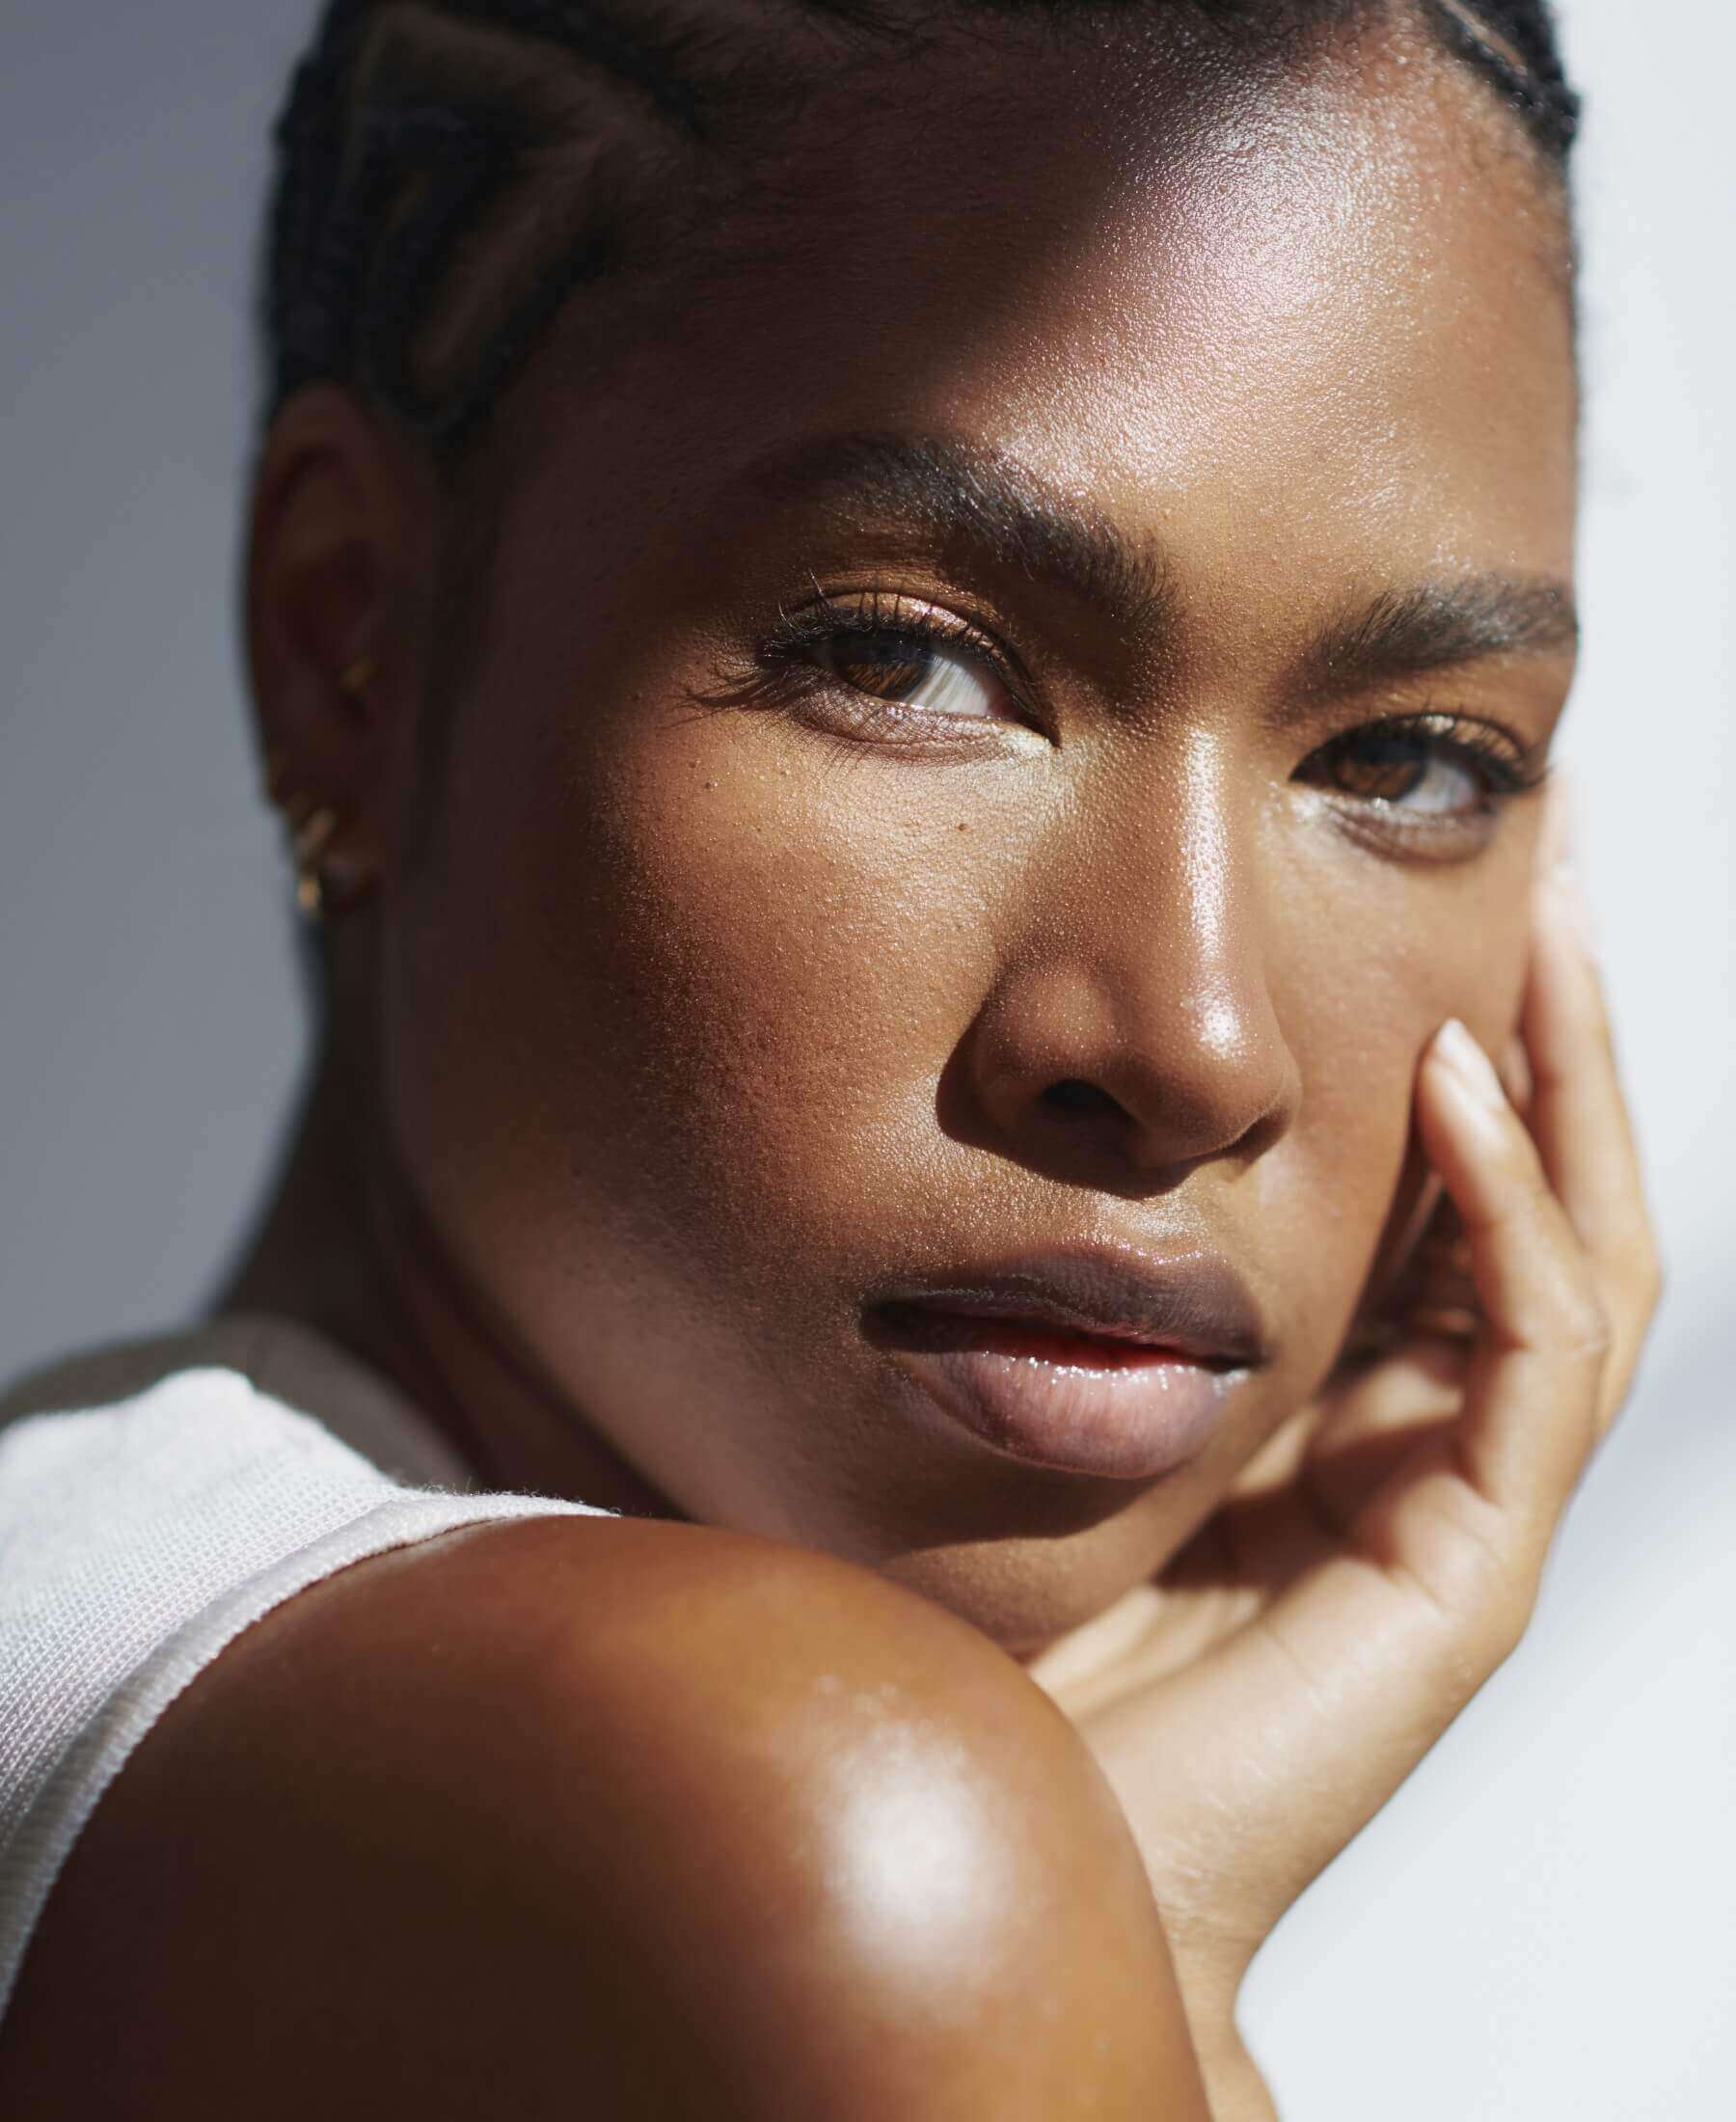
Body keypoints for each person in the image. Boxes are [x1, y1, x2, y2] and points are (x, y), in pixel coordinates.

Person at [0, 0, 1661, 2113]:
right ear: (351, 634)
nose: (1193, 1038)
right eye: (907, 658)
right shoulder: (825, 1828)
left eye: (1414, 758)